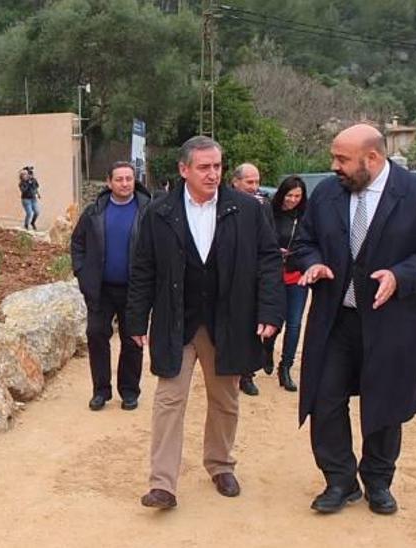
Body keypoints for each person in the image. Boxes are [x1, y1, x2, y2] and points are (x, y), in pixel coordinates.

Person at [292, 124, 416, 516]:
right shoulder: (328, 194)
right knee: (325, 400)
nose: (334, 166)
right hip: (336, 320)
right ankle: (339, 480)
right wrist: (313, 263)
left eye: (342, 159)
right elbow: (305, 242)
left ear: (372, 158)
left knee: (385, 403)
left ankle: (379, 481)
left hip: (392, 322)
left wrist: (402, 275)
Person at [125, 136, 283, 509]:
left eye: (217, 166)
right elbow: (143, 268)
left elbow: (268, 262)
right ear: (184, 170)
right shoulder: (159, 212)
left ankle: (220, 464)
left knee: (225, 399)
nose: (213, 174)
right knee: (168, 400)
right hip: (175, 320)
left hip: (228, 321)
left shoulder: (247, 210)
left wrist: (270, 311)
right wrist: (135, 318)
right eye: (204, 167)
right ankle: (163, 483)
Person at [71, 161, 152, 411]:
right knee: (96, 335)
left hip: (134, 290)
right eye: (119, 179)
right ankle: (101, 391)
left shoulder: (148, 210)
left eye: (129, 178)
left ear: (134, 180)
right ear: (109, 182)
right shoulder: (94, 212)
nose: (125, 183)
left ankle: (129, 391)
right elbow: (78, 244)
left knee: (132, 340)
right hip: (100, 289)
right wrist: (82, 274)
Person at [229, 162, 270, 396]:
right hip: (230, 275)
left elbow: (269, 240)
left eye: (257, 182)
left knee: (251, 325)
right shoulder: (220, 205)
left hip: (254, 275)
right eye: (249, 182)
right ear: (236, 181)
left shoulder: (263, 206)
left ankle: (247, 375)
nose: (255, 187)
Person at [266, 176, 309, 392]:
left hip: (298, 274)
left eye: (297, 196)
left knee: (294, 324)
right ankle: (267, 349)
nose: (292, 200)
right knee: (275, 320)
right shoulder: (270, 213)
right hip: (273, 274)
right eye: (289, 195)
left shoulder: (306, 217)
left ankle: (286, 366)